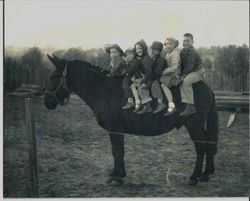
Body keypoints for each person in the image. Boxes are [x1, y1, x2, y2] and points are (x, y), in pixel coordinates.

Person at [179, 33, 205, 116]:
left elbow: (189, 66)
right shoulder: (183, 51)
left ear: (192, 42)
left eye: (188, 41)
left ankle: (190, 106)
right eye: (184, 41)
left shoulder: (192, 52)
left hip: (197, 71)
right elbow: (182, 64)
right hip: (191, 71)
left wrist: (182, 75)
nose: (185, 43)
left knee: (185, 82)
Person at [160, 37, 181, 116]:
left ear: (175, 45)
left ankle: (171, 105)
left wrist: (165, 71)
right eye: (167, 44)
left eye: (171, 44)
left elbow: (175, 67)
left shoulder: (175, 53)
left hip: (174, 75)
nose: (168, 46)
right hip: (169, 74)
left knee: (163, 85)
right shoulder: (168, 53)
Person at [133, 39, 154, 114]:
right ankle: (139, 103)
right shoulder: (141, 58)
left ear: (144, 48)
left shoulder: (146, 59)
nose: (138, 50)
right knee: (135, 85)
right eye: (136, 49)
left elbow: (149, 72)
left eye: (140, 48)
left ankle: (147, 106)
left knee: (141, 87)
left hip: (150, 78)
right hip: (146, 77)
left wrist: (144, 81)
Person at [150, 41, 168, 113]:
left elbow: (158, 72)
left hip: (160, 77)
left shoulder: (161, 60)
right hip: (154, 76)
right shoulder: (153, 58)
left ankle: (160, 103)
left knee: (154, 85)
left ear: (159, 50)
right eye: (152, 49)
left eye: (155, 49)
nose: (153, 51)